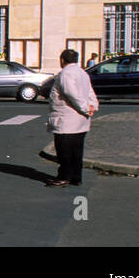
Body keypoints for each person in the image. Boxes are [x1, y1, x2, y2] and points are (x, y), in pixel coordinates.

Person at [46, 49, 98, 187]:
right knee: (77, 151)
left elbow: (71, 94)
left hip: (67, 118)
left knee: (64, 151)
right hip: (81, 119)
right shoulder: (82, 73)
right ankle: (76, 177)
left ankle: (64, 176)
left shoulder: (66, 74)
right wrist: (92, 106)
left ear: (62, 60)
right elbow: (90, 92)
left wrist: (85, 107)